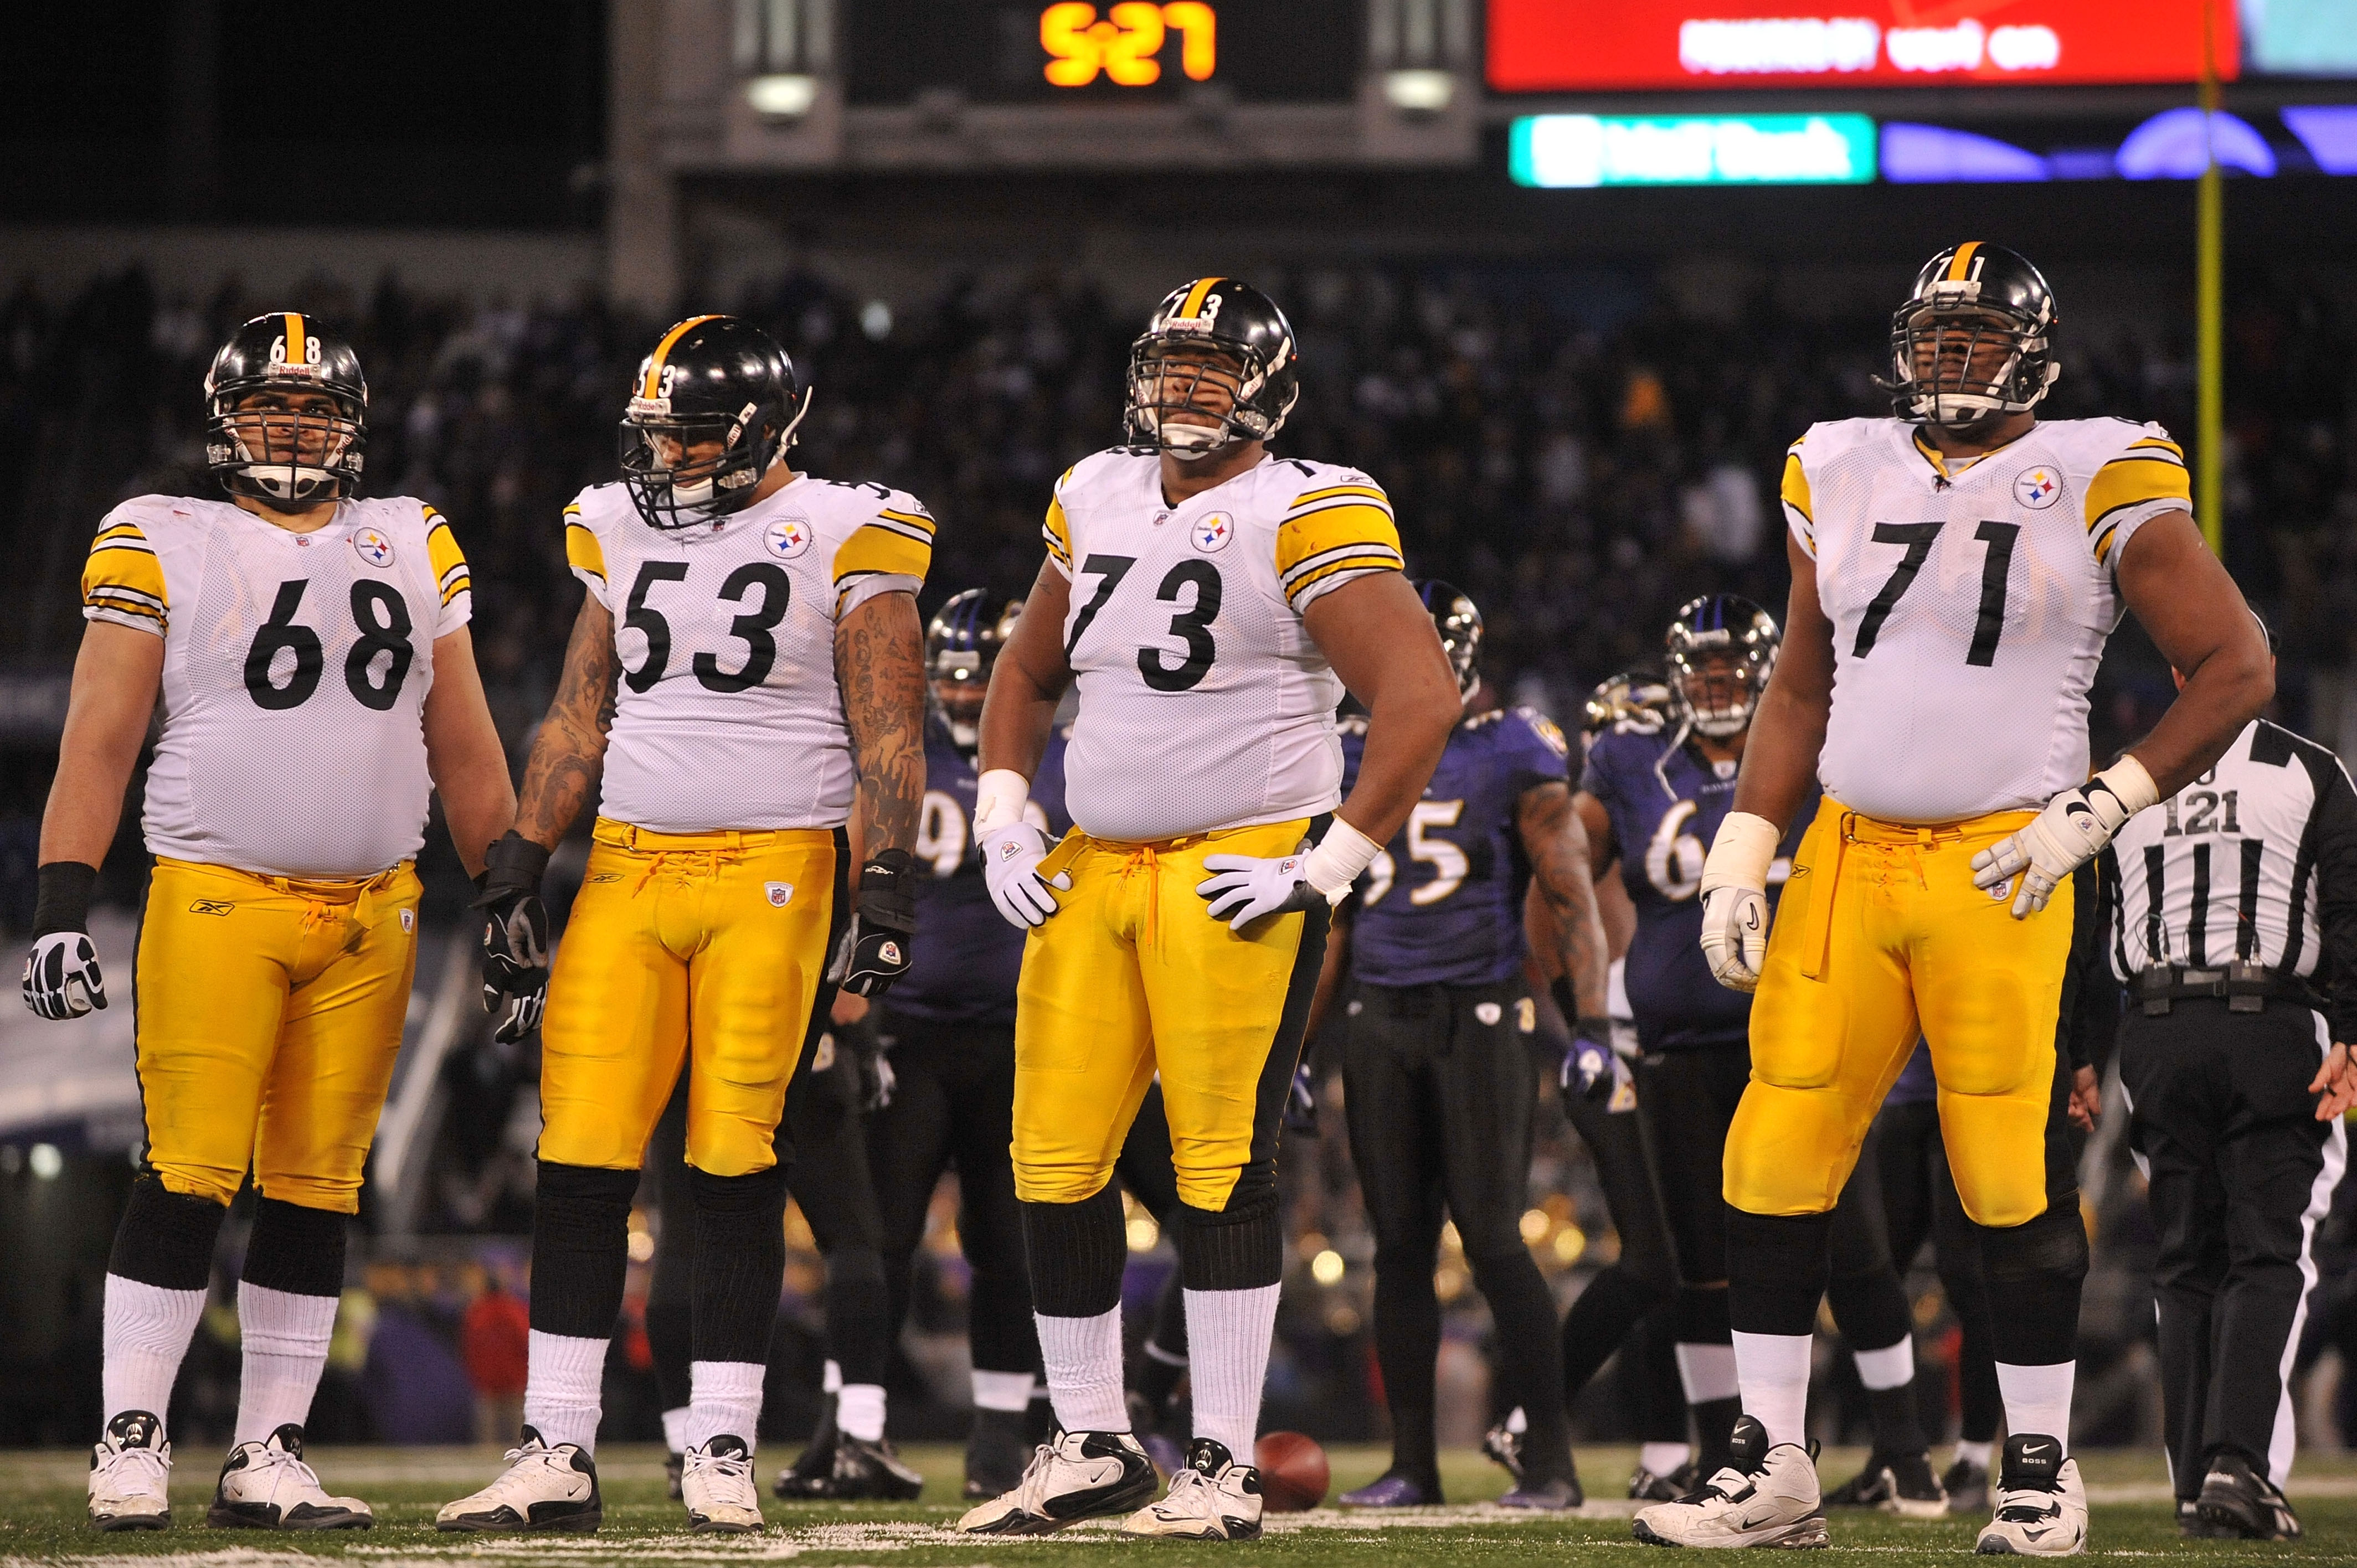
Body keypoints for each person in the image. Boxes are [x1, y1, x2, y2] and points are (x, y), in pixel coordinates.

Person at [1640, 241, 2273, 1552]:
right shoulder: (1839, 459)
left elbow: (2234, 666)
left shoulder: (2103, 464)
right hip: (1847, 854)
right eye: (1931, 336)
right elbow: (1801, 682)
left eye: (1972, 337)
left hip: (2003, 857)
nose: (1942, 360)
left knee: (2005, 1173)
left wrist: (2098, 809)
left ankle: (2038, 1472)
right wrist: (1745, 845)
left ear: (2031, 353)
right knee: (1769, 1154)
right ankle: (1773, 1467)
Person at [956, 277, 1461, 1541]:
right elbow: (1025, 668)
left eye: (1213, 368)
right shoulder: (1097, 492)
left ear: (1267, 388)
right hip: (1094, 865)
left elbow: (1418, 695)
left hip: (1239, 862)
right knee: (1051, 1164)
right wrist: (1004, 804)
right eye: (1173, 365)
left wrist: (1332, 860)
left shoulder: (1308, 505)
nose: (1187, 388)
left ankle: (1224, 1462)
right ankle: (1090, 1444)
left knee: (1221, 1165)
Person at [438, 315, 932, 1535]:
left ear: (767, 431)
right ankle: (555, 1447)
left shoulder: (851, 526)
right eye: (657, 433)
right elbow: (574, 714)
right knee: (580, 1156)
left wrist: (883, 889)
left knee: (731, 1159)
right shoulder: (611, 523)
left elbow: (889, 733)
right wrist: (515, 867)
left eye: (693, 435)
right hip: (628, 868)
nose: (666, 458)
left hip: (778, 868)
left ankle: (720, 1441)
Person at [23, 313, 515, 1532]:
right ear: (220, 421)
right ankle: (132, 1436)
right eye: (266, 410)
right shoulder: (162, 534)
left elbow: (464, 743)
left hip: (378, 913)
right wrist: (59, 906)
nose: (290, 431)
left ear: (355, 428)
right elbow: (99, 737)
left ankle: (268, 1454)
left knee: (317, 1190)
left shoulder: (413, 534)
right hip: (217, 893)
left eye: (314, 411)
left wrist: (507, 899)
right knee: (188, 1170)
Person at [1323, 582, 1610, 1511]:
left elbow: (1570, 894)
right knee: (1398, 1247)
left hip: (1480, 1013)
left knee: (1493, 1239)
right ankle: (1413, 1464)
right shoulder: (1346, 749)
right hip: (1379, 1014)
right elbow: (1330, 919)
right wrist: (1293, 1046)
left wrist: (1593, 1023)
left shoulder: (1511, 747)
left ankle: (1552, 1463)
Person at [2103, 620, 2357, 1541]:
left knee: (2184, 1260)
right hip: (2268, 1024)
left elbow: (2091, 937)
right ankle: (2238, 1467)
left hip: (2157, 1031)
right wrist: (2355, 1034)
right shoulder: (2309, 768)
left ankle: (2192, 1478)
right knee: (2266, 1251)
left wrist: (2083, 1057)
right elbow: (2352, 904)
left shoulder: (2125, 779)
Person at [864, 588, 1068, 1500]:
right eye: (946, 678)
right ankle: (855, 1424)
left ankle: (998, 1437)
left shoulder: (1055, 762)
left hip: (1015, 1036)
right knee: (882, 1237)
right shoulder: (896, 759)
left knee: (1006, 1242)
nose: (955, 695)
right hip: (908, 1033)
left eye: (974, 679)